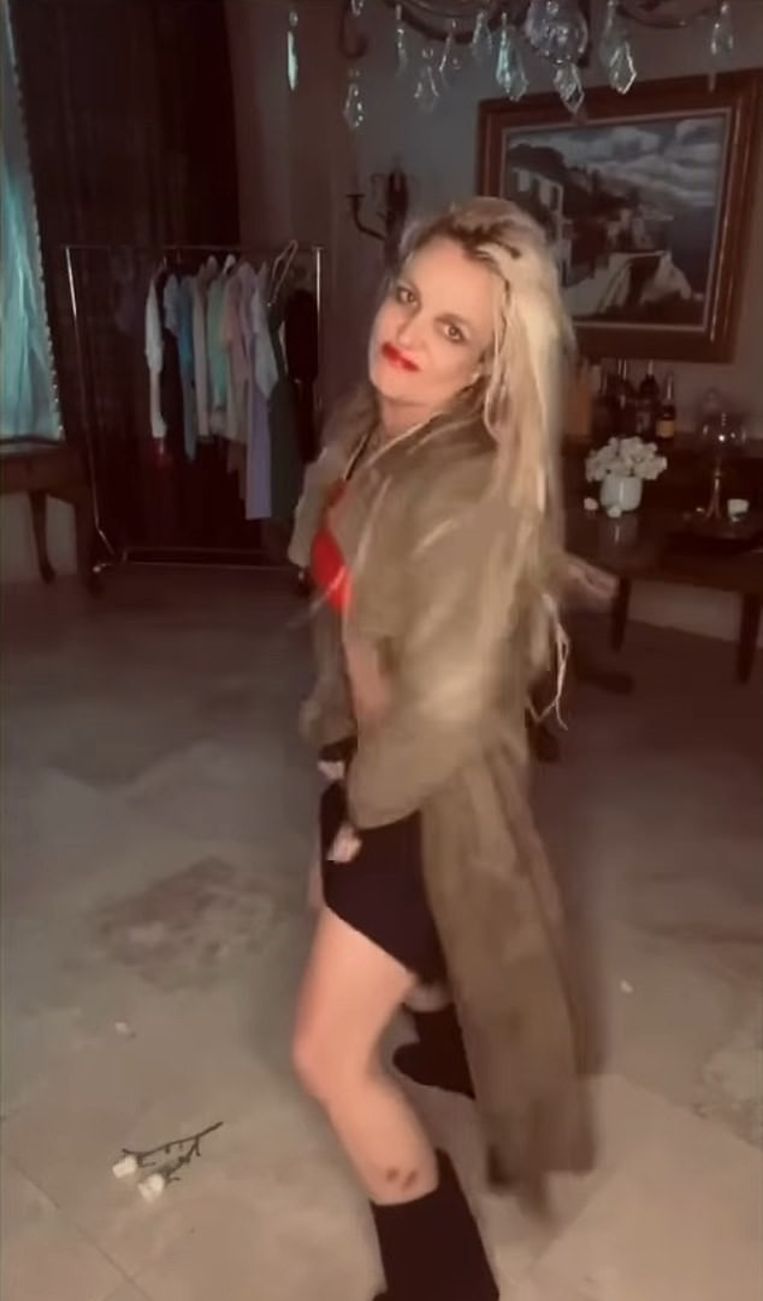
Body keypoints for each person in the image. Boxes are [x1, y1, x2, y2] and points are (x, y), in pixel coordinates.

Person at [289, 197, 599, 1301]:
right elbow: (341, 605)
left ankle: (446, 1285)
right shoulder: (372, 425)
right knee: (354, 911)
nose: (407, 332)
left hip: (424, 791)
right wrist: (338, 749)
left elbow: (443, 714)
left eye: (452, 329)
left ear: (488, 368)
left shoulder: (465, 483)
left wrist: (364, 810)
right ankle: (447, 1041)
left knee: (327, 1057)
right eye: (407, 296)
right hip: (369, 753)